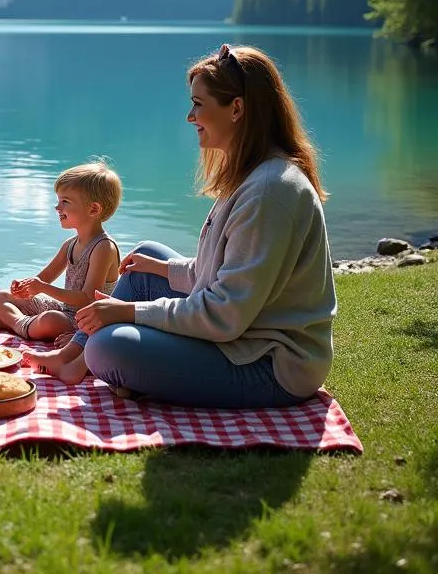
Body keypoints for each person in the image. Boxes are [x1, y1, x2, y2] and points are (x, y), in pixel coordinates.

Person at [24, 44, 337, 409]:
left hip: (268, 363)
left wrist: (128, 312)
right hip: (243, 334)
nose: (190, 116)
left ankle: (105, 362)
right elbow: (222, 276)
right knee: (145, 258)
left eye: (199, 104)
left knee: (110, 348)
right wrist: (160, 270)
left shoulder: (270, 191)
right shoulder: (252, 176)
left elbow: (225, 314)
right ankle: (74, 357)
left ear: (236, 108)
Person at [0, 162, 122, 353]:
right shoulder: (70, 245)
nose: (57, 207)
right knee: (1, 297)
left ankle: (16, 323)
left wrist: (42, 288)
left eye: (65, 201)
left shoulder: (103, 248)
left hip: (88, 321)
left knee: (50, 320)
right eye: (59, 200)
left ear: (93, 209)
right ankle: (22, 323)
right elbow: (43, 279)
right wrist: (25, 288)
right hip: (66, 312)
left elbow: (87, 298)